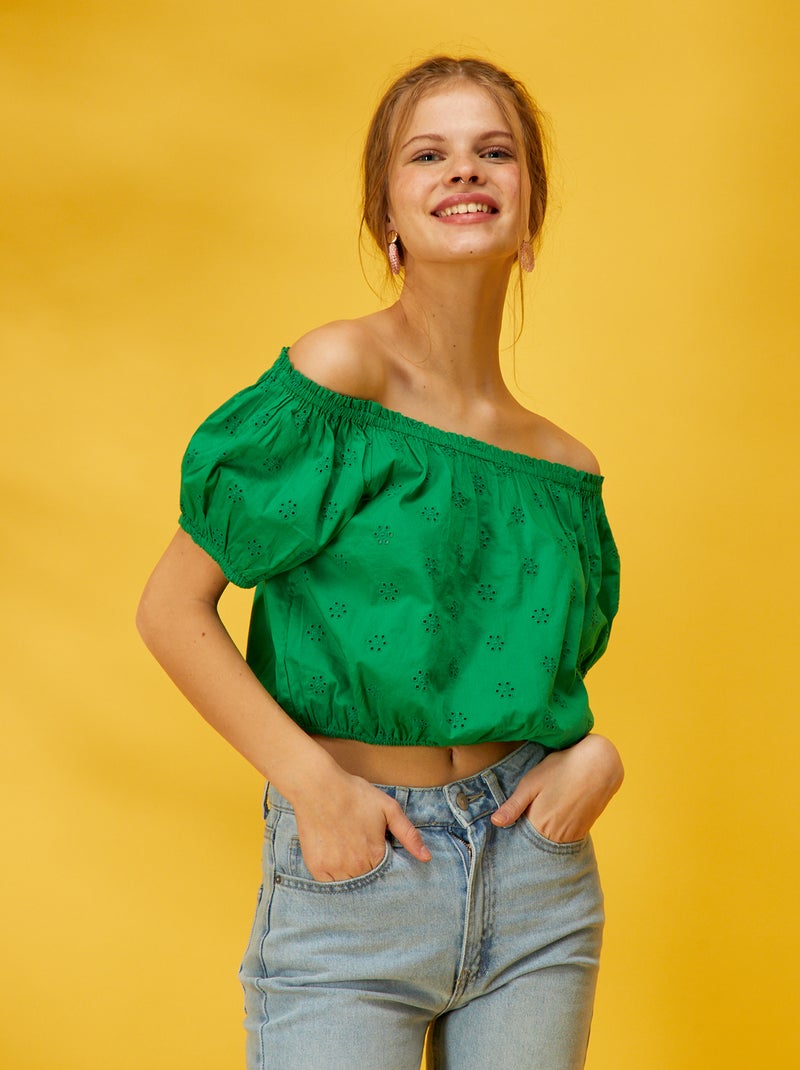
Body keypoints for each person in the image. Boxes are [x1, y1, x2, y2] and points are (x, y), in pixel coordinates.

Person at [137, 55, 623, 1070]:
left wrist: (595, 758)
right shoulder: (337, 379)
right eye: (428, 154)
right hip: (356, 877)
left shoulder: (563, 468)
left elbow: (531, 678)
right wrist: (314, 786)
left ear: (529, 214)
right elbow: (170, 608)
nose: (465, 170)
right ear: (386, 216)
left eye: (494, 152)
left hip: (537, 887)